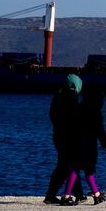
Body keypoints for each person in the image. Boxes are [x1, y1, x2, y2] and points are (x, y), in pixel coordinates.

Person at [61, 82, 106, 205]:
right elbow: (99, 128)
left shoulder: (79, 107)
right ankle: (95, 194)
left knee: (75, 167)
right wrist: (104, 141)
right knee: (89, 169)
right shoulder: (95, 111)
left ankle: (68, 195)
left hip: (76, 142)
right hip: (89, 144)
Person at [44, 74, 84, 204]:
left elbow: (52, 116)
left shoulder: (58, 96)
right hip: (68, 136)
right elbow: (76, 117)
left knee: (69, 164)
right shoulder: (72, 97)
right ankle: (51, 195)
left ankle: (79, 194)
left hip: (58, 135)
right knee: (66, 166)